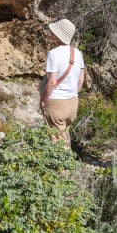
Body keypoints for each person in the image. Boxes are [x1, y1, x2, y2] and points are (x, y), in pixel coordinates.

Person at [39, 19, 84, 147]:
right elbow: (81, 79)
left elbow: (52, 82)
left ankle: (64, 167)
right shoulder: (77, 53)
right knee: (64, 134)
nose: (51, 33)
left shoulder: (53, 54)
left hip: (56, 103)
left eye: (53, 32)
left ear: (58, 35)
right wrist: (72, 94)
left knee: (58, 142)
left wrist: (43, 99)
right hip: (72, 103)